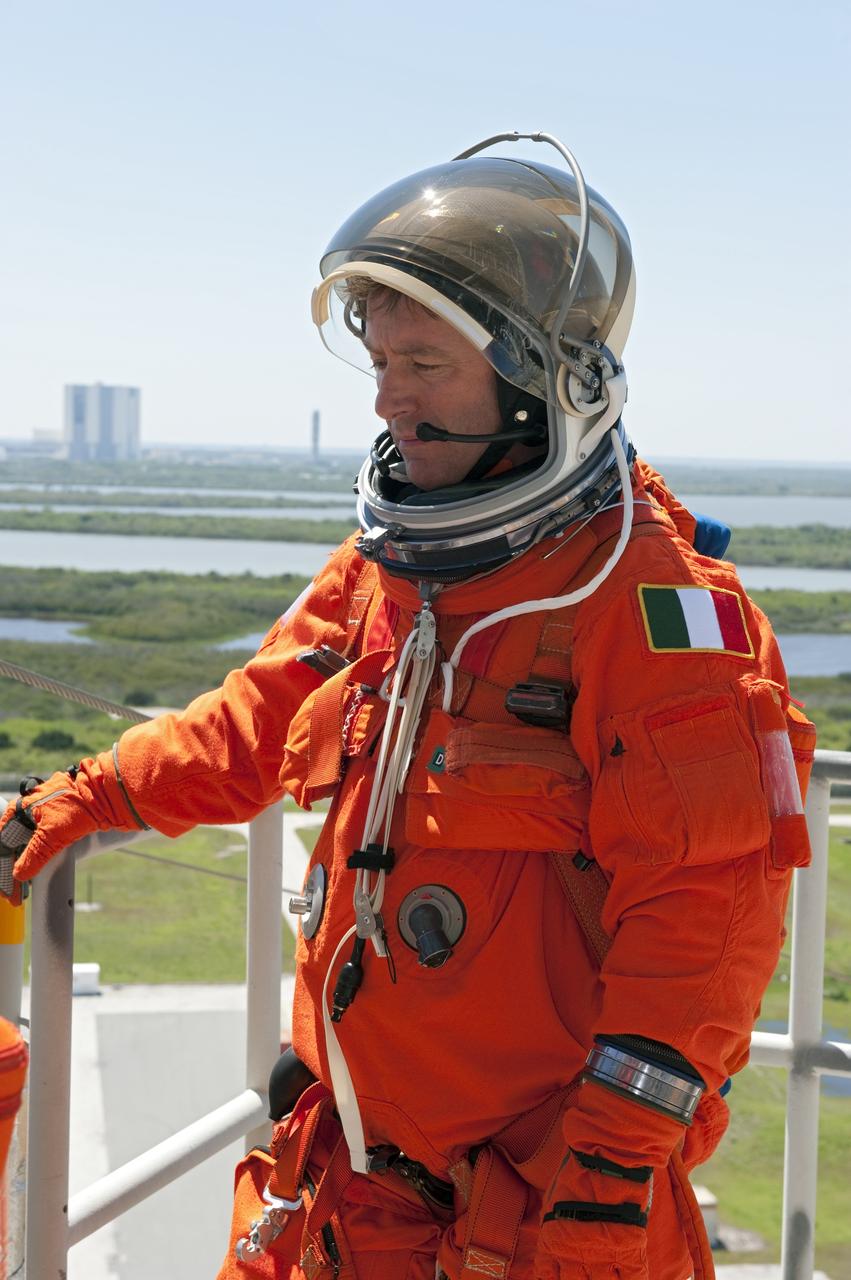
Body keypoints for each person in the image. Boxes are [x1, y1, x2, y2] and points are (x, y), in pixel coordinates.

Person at [0, 131, 816, 1280]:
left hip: (540, 1219)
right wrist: (88, 797)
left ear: (543, 382)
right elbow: (258, 720)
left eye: (423, 365)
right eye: (380, 361)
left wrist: (610, 1174)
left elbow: (703, 910)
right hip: (342, 1187)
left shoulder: (647, 606)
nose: (388, 399)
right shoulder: (389, 570)